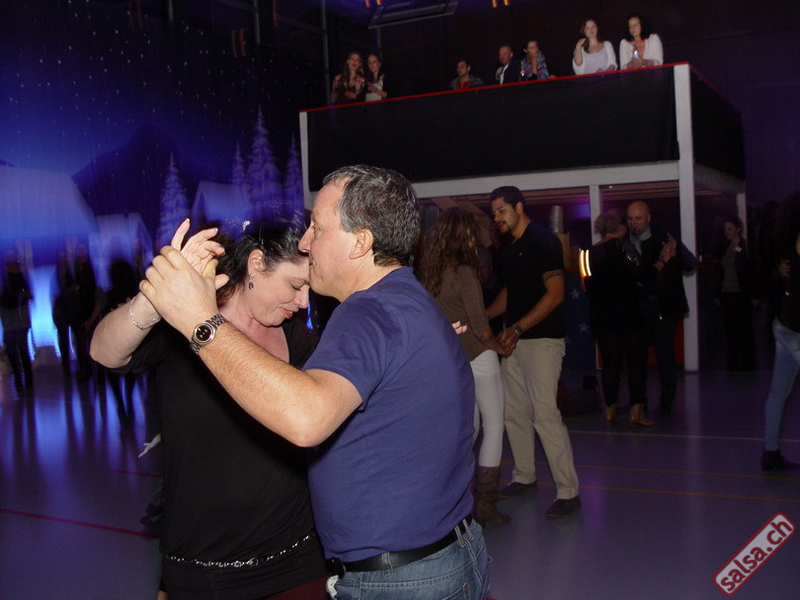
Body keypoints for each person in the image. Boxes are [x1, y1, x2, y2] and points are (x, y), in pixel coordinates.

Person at [138, 166, 490, 600]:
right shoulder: (409, 299)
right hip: (449, 554)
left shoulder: (367, 311)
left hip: (402, 580)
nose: (305, 242)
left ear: (360, 242)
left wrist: (198, 320)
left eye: (317, 228)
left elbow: (305, 419)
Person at [90, 221, 329, 599]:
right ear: (256, 264)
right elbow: (104, 352)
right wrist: (155, 299)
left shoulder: (297, 336)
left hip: (297, 558)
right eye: (295, 285)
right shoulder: (184, 325)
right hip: (205, 567)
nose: (303, 302)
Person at [486, 186, 581, 518]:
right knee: (514, 412)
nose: (497, 218)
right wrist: (484, 318)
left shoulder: (543, 241)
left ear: (519, 207)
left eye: (501, 210)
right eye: (494, 213)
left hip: (542, 342)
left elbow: (555, 294)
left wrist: (517, 328)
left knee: (545, 414)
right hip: (514, 343)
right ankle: (524, 476)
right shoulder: (510, 248)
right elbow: (510, 293)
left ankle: (568, 491)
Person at [420, 207, 510, 527]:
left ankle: (448, 494)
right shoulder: (464, 272)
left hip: (451, 358)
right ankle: (485, 504)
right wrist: (498, 345)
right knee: (494, 426)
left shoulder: (430, 273)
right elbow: (480, 325)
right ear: (466, 236)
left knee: (467, 428)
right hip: (478, 355)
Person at [585, 210, 661, 426]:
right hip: (629, 315)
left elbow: (587, 285)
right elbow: (643, 274)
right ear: (619, 227)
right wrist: (661, 262)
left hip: (602, 317)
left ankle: (610, 409)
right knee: (636, 363)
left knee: (610, 363)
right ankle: (637, 412)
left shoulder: (588, 253)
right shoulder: (624, 247)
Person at [626, 201, 696, 416]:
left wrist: (678, 250)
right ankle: (640, 403)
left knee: (665, 356)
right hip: (638, 308)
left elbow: (690, 264)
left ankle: (666, 403)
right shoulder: (625, 242)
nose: (633, 223)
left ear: (648, 218)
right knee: (637, 358)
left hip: (664, 307)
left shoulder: (664, 238)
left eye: (638, 218)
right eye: (630, 218)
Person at [762, 192, 800, 471]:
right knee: (778, 392)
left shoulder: (788, 240)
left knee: (778, 392)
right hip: (796, 329)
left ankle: (770, 453)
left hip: (785, 325)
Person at [714, 215, 756, 371]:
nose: (727, 232)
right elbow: (720, 270)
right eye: (725, 229)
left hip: (740, 292)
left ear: (738, 229)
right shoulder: (725, 246)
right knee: (730, 328)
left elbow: (752, 271)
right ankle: (733, 361)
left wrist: (754, 295)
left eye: (730, 229)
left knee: (744, 327)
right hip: (727, 291)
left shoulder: (745, 246)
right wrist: (718, 293)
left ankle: (747, 362)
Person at [1, 250, 34, 395]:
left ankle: (26, 381)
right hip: (11, 319)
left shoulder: (20, 278)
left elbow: (28, 295)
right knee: (14, 351)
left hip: (19, 318)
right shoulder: (5, 280)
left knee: (20, 349)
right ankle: (20, 381)